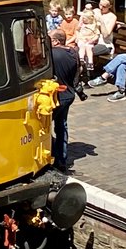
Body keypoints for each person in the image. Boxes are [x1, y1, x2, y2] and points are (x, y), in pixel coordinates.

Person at [50, 28, 79, 172]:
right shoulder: (73, 53)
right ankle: (62, 159)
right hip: (69, 95)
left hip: (55, 97)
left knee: (42, 127)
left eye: (49, 38)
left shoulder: (51, 55)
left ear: (56, 41)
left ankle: (51, 155)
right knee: (62, 126)